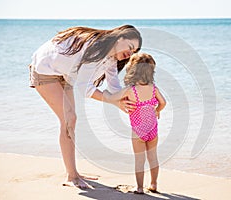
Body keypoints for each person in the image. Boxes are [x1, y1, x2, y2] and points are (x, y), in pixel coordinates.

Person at [28, 25, 142, 189]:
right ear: (119, 38)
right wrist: (113, 101)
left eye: (134, 52)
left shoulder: (111, 58)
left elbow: (114, 89)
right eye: (130, 48)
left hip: (63, 73)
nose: (130, 54)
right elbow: (86, 89)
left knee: (71, 120)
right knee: (69, 119)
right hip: (44, 70)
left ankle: (73, 173)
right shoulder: (95, 49)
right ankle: (72, 176)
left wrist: (127, 100)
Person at [103, 53, 166, 194]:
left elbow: (113, 98)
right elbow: (163, 102)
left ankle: (139, 188)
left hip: (138, 131)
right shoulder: (154, 89)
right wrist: (157, 110)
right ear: (151, 71)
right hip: (153, 129)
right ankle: (154, 184)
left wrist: (106, 94)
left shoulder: (130, 90)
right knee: (153, 157)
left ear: (131, 71)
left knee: (139, 160)